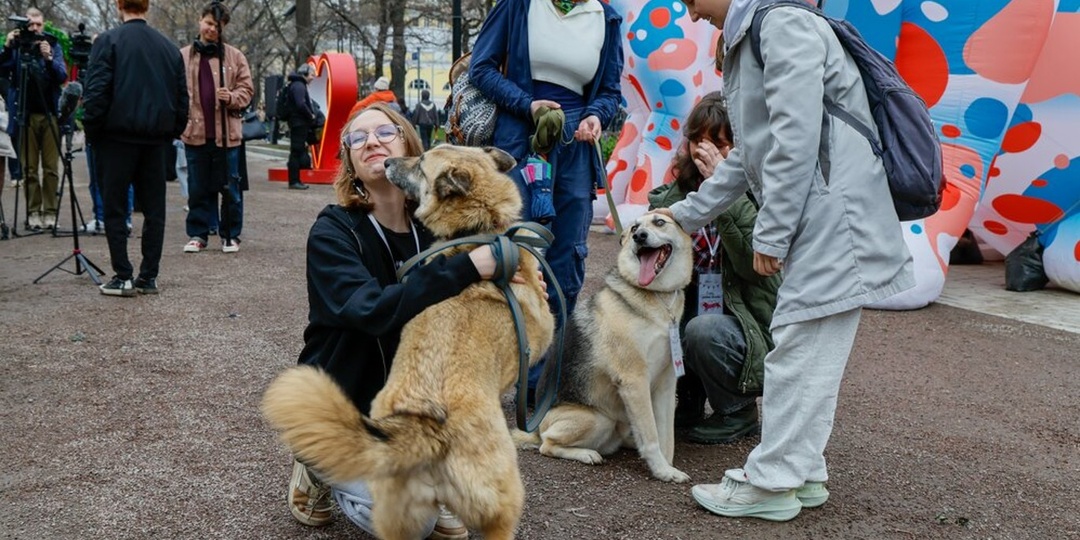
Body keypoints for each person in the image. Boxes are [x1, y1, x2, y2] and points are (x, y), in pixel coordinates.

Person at [654, 0, 916, 522]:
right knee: (813, 350)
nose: (687, 9)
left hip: (830, 217)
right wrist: (683, 215)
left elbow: (795, 139)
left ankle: (772, 481)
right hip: (829, 214)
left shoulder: (782, 24)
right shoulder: (767, 26)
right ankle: (804, 470)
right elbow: (753, 156)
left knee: (797, 349)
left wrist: (770, 234)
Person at [285, 102, 518, 539]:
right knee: (415, 525)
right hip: (350, 405)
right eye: (358, 138)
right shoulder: (333, 231)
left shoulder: (436, 224)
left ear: (408, 146)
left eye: (385, 132)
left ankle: (428, 470)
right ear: (351, 162)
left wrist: (522, 273)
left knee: (455, 510)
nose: (371, 141)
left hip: (417, 405)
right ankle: (315, 459)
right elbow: (371, 309)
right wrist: (469, 268)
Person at [469, 0, 624, 389]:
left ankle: (545, 377)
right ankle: (503, 368)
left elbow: (609, 91)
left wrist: (595, 116)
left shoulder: (607, 17)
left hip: (575, 145)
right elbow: (481, 68)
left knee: (566, 256)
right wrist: (527, 103)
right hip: (521, 137)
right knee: (514, 253)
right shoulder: (518, 5)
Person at [647, 93, 780, 446]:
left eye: (719, 143)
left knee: (702, 330)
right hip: (695, 311)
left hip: (747, 324)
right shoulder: (669, 197)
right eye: (698, 141)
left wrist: (724, 191)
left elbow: (756, 268)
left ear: (739, 147)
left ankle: (737, 411)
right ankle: (687, 401)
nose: (704, 152)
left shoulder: (763, 196)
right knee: (662, 321)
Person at [82, 0, 188, 296]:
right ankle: (148, 275)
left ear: (119, 5)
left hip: (116, 138)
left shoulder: (108, 41)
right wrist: (171, 132)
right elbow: (182, 98)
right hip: (156, 139)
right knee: (155, 210)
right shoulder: (168, 48)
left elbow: (97, 91)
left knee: (115, 208)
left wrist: (93, 131)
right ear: (147, 6)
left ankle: (123, 274)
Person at [179, 2, 254, 253]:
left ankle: (230, 234)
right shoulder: (183, 55)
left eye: (218, 26)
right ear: (200, 21)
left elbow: (247, 90)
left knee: (230, 188)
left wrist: (231, 97)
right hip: (194, 133)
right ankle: (198, 234)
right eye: (209, 23)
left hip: (227, 135)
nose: (213, 29)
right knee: (197, 188)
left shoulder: (235, 56)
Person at [0, 7, 66, 231]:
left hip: (49, 113)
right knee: (28, 168)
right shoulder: (17, 47)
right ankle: (33, 211)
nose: (35, 28)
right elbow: (2, 69)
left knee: (50, 168)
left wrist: (48, 58)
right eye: (31, 24)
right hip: (25, 113)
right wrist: (7, 48)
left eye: (39, 24)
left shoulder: (53, 44)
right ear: (24, 25)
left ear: (44, 24)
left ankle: (50, 212)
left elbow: (61, 75)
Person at [283, 63, 315, 190]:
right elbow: (300, 104)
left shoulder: (295, 84)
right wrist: (310, 115)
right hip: (299, 122)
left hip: (296, 122)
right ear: (305, 74)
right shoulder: (299, 85)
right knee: (296, 151)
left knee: (296, 151)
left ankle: (294, 179)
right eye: (312, 74)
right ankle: (294, 180)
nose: (313, 77)